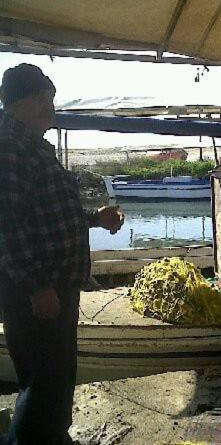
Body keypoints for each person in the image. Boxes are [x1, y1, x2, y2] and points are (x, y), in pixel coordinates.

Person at [0, 64, 124, 444]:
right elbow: (8, 224)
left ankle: (52, 435)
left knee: (52, 377)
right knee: (47, 379)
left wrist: (93, 218)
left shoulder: (31, 144)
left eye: (50, 97)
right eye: (40, 98)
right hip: (38, 288)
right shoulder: (9, 147)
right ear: (16, 103)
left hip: (54, 285)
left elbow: (48, 213)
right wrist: (38, 286)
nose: (48, 106)